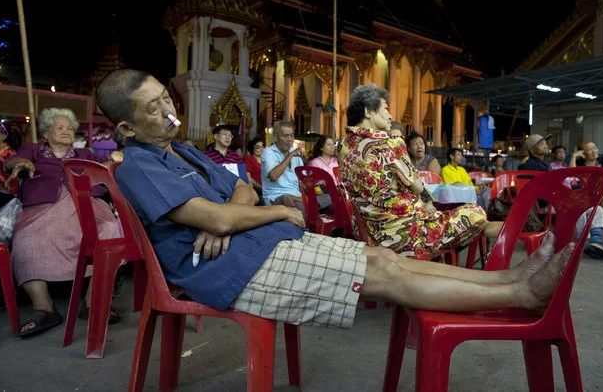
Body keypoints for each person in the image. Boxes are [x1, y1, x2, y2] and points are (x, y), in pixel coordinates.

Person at [95, 68, 571, 332]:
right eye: (153, 107)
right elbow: (223, 214)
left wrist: (230, 217)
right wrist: (274, 211)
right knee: (385, 272)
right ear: (126, 128)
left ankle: (509, 275)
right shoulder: (140, 165)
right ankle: (521, 294)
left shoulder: (186, 152)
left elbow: (241, 191)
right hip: (235, 268)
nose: (169, 110)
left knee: (383, 255)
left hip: (261, 243)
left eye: (167, 98)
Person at [338, 84, 501, 257]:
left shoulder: (343, 146)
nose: (390, 115)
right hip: (403, 235)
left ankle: (515, 231)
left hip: (367, 234)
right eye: (385, 108)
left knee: (471, 220)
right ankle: (516, 232)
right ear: (368, 111)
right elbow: (417, 187)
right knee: (476, 212)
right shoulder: (390, 143)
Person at [6, 108, 122, 338]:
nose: (66, 131)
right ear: (45, 134)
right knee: (27, 239)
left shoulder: (86, 153)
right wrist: (20, 163)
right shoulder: (33, 150)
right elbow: (12, 162)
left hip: (86, 204)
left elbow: (107, 166)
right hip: (44, 205)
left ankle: (93, 302)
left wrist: (115, 160)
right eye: (59, 127)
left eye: (69, 127)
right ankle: (43, 307)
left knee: (109, 230)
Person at [261, 121, 331, 213]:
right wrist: (290, 156)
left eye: (292, 136)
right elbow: (273, 176)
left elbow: (302, 182)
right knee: (294, 203)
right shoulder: (268, 152)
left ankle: (303, 200)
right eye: (285, 136)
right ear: (275, 137)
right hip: (277, 197)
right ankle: (304, 203)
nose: (290, 139)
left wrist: (314, 187)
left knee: (330, 198)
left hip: (297, 196)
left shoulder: (295, 153)